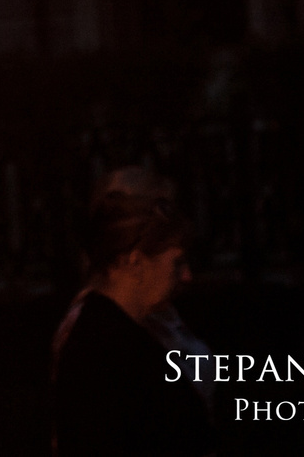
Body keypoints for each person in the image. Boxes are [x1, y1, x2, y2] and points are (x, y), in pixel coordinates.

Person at [50, 187, 214, 457]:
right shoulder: (101, 346)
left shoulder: (133, 333)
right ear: (136, 262)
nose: (186, 277)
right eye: (177, 263)